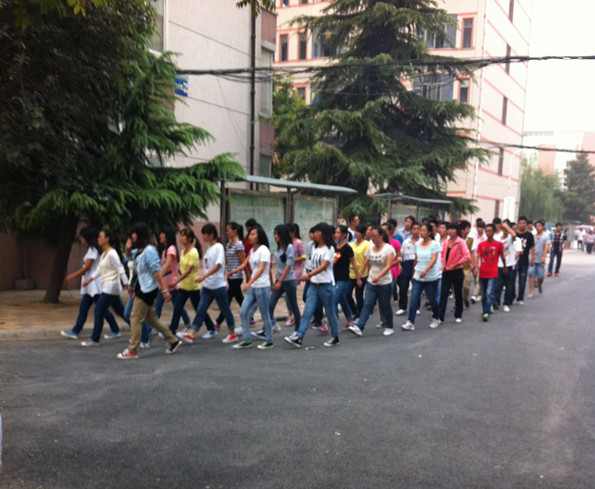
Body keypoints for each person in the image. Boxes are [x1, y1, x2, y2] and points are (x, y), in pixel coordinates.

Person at [116, 223, 182, 359]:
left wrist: (164, 290)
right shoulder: (139, 251)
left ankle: (133, 350)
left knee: (135, 318)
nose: (132, 236)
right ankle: (173, 341)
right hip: (141, 289)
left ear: (140, 234)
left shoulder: (149, 250)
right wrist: (135, 290)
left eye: (134, 233)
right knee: (152, 320)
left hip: (147, 290)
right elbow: (134, 268)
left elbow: (156, 272)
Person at [177, 224, 237, 344]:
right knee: (201, 308)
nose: (203, 236)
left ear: (211, 235)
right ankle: (192, 333)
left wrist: (204, 276)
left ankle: (232, 333)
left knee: (225, 309)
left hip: (218, 286)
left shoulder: (219, 247)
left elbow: (218, 265)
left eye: (205, 234)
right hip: (208, 286)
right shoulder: (210, 247)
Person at [285, 223, 340, 348]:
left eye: (317, 231)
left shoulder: (329, 249)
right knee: (307, 312)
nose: (314, 234)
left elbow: (323, 266)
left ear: (323, 233)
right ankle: (299, 337)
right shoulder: (314, 247)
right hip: (314, 285)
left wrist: (308, 275)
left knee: (330, 313)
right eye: (314, 232)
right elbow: (310, 264)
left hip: (326, 285)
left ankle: (335, 337)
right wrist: (306, 274)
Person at [61, 227, 120, 340]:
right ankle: (76, 331)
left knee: (101, 309)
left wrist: (73, 276)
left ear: (87, 238)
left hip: (94, 286)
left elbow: (87, 267)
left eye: (82, 237)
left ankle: (115, 329)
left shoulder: (93, 250)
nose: (81, 239)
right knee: (84, 308)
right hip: (90, 285)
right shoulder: (92, 249)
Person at [80, 229, 129, 346]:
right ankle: (146, 330)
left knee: (98, 310)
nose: (98, 239)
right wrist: (89, 280)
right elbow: (99, 270)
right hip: (108, 287)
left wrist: (127, 285)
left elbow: (120, 269)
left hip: (111, 287)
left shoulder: (112, 254)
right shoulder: (104, 253)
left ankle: (94, 339)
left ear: (107, 239)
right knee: (121, 312)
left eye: (101, 236)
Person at [230, 226, 275, 350]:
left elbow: (261, 269)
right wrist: (234, 271)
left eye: (253, 234)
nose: (250, 237)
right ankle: (246, 339)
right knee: (243, 312)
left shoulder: (264, 250)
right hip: (253, 287)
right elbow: (245, 263)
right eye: (249, 234)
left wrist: (249, 282)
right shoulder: (252, 250)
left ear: (259, 236)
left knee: (264, 314)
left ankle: (269, 341)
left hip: (262, 286)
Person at [348, 225, 396, 337]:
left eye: (375, 236)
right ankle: (359, 327)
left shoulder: (388, 249)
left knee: (385, 305)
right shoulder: (370, 249)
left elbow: (388, 265)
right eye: (371, 236)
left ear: (381, 236)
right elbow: (366, 262)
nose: (373, 238)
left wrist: (379, 276)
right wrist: (360, 274)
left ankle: (389, 326)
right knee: (367, 304)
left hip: (384, 283)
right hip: (371, 282)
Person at [168, 227, 216, 335]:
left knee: (199, 310)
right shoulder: (182, 252)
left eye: (183, 235)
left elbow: (188, 271)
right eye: (180, 235)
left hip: (193, 287)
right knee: (177, 308)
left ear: (189, 238)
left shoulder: (194, 253)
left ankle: (211, 328)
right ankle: (172, 330)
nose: (181, 238)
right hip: (183, 287)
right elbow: (182, 270)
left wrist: (176, 282)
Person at [257, 224, 300, 336]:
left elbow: (288, 266)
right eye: (274, 234)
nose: (275, 236)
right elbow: (279, 267)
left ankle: (298, 330)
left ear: (282, 234)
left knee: (294, 305)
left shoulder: (289, 247)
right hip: (279, 280)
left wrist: (280, 281)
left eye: (277, 234)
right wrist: (275, 281)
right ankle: (266, 329)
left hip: (288, 281)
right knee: (270, 305)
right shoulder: (278, 248)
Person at [401, 223, 441, 331]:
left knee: (432, 299)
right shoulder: (417, 244)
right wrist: (414, 273)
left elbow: (433, 259)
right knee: (414, 298)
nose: (420, 232)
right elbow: (416, 259)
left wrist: (426, 270)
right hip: (418, 276)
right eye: (420, 230)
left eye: (423, 230)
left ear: (429, 232)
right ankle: (410, 322)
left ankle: (436, 317)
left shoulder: (434, 244)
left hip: (431, 276)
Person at [155, 226, 191, 329]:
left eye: (162, 233)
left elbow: (167, 266)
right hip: (163, 284)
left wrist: (159, 277)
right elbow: (174, 266)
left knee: (178, 306)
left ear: (167, 236)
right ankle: (152, 328)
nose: (160, 236)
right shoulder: (164, 251)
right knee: (158, 306)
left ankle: (188, 324)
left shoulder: (171, 249)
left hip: (171, 284)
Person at [214, 222, 246, 329]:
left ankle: (218, 322)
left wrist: (248, 277)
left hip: (237, 277)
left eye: (228, 230)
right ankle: (250, 318)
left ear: (235, 231)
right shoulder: (229, 244)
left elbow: (243, 262)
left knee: (226, 300)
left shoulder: (239, 245)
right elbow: (226, 260)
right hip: (230, 277)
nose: (226, 232)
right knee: (239, 298)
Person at [438, 223, 470, 324]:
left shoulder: (461, 242)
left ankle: (458, 314)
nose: (450, 231)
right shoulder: (446, 242)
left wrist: (456, 264)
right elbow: (442, 255)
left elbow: (467, 256)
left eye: (452, 229)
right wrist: (443, 265)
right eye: (449, 229)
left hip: (457, 271)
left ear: (457, 231)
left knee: (458, 293)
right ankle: (440, 316)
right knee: (443, 293)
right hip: (446, 271)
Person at [476, 224, 507, 322]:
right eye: (486, 231)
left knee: (489, 293)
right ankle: (485, 309)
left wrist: (505, 266)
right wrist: (476, 267)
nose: (488, 233)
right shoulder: (481, 244)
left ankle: (486, 312)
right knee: (484, 294)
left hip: (493, 273)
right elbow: (477, 256)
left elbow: (502, 256)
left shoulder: (498, 244)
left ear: (493, 232)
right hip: (482, 273)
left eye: (489, 231)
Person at [333, 225, 357, 329]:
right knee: (342, 300)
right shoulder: (334, 247)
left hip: (343, 278)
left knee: (334, 300)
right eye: (335, 232)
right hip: (333, 277)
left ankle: (329, 323)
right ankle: (350, 321)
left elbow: (353, 263)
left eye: (338, 233)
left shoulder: (347, 248)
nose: (336, 235)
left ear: (344, 235)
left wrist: (358, 277)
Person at [493, 220, 521, 312]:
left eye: (506, 229)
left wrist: (506, 226)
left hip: (509, 265)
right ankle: (496, 302)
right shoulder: (497, 238)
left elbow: (513, 234)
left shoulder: (510, 238)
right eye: (503, 229)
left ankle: (506, 303)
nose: (505, 231)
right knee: (498, 285)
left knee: (508, 285)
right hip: (499, 264)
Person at [346, 223, 371, 323]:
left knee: (358, 295)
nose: (356, 234)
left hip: (362, 273)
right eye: (355, 231)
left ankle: (360, 315)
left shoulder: (367, 244)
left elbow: (366, 260)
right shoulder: (351, 244)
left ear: (363, 234)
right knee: (347, 293)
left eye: (358, 232)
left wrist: (361, 274)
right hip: (351, 272)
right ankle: (354, 310)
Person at [395, 221, 420, 316]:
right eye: (414, 229)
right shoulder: (406, 242)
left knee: (416, 287)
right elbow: (400, 254)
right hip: (407, 264)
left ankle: (416, 307)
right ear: (411, 230)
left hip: (418, 265)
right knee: (403, 287)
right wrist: (399, 265)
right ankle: (402, 307)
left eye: (418, 229)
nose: (416, 231)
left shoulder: (422, 242)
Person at [284, 223, 305, 327]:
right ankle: (293, 314)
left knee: (287, 294)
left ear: (293, 232)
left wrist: (293, 259)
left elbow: (304, 256)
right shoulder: (286, 243)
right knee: (289, 294)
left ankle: (292, 315)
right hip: (287, 270)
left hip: (296, 271)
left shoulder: (298, 243)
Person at [514, 216, 535, 304]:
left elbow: (532, 247)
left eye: (524, 223)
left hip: (524, 260)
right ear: (518, 224)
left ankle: (520, 298)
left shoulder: (529, 235)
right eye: (520, 223)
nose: (522, 225)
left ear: (526, 224)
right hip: (514, 260)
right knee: (511, 280)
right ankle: (512, 295)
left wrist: (532, 258)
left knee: (522, 280)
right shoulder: (514, 234)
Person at [528, 220, 550, 297]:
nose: (537, 227)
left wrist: (544, 256)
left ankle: (540, 285)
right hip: (532, 258)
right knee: (531, 274)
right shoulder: (532, 235)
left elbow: (546, 247)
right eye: (536, 226)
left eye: (539, 226)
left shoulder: (546, 236)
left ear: (543, 227)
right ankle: (531, 292)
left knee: (540, 276)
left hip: (540, 259)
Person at [470, 221, 486, 303]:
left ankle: (474, 295)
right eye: (478, 227)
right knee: (475, 278)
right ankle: (480, 294)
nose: (479, 229)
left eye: (481, 227)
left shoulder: (486, 238)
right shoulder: (474, 237)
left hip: (482, 261)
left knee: (478, 279)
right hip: (474, 260)